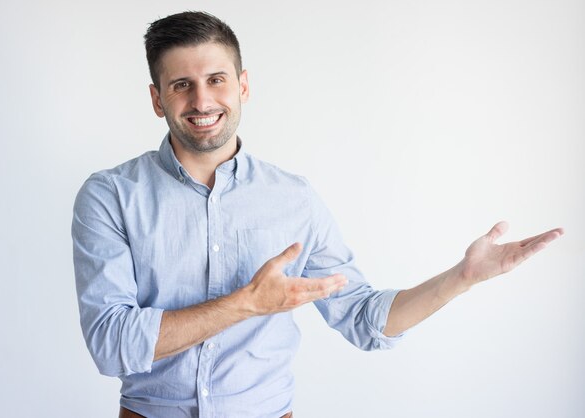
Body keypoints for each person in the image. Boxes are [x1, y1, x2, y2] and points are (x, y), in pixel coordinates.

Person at [71, 11, 564, 418]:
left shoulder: (294, 199)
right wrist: (247, 304)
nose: (202, 100)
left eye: (216, 80)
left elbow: (364, 320)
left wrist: (462, 278)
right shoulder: (110, 196)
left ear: (243, 86)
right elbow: (112, 344)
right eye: (181, 85)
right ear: (157, 99)